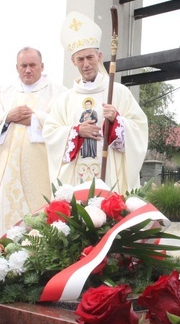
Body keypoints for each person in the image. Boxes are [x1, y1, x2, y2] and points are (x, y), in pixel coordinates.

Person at [43, 11, 148, 193]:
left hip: (109, 175)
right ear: (73, 61)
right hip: (76, 177)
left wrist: (117, 121)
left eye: (90, 57)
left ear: (99, 56)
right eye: (80, 59)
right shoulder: (65, 100)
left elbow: (139, 129)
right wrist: (76, 131)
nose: (86, 64)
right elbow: (50, 134)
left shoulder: (119, 92)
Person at [0, 47, 65, 237]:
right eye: (23, 66)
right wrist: (7, 117)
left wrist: (35, 120)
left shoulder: (59, 93)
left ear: (42, 66)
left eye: (32, 65)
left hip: (41, 169)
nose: (28, 70)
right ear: (16, 67)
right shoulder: (4, 92)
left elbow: (65, 125)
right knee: (7, 217)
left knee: (40, 213)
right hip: (7, 170)